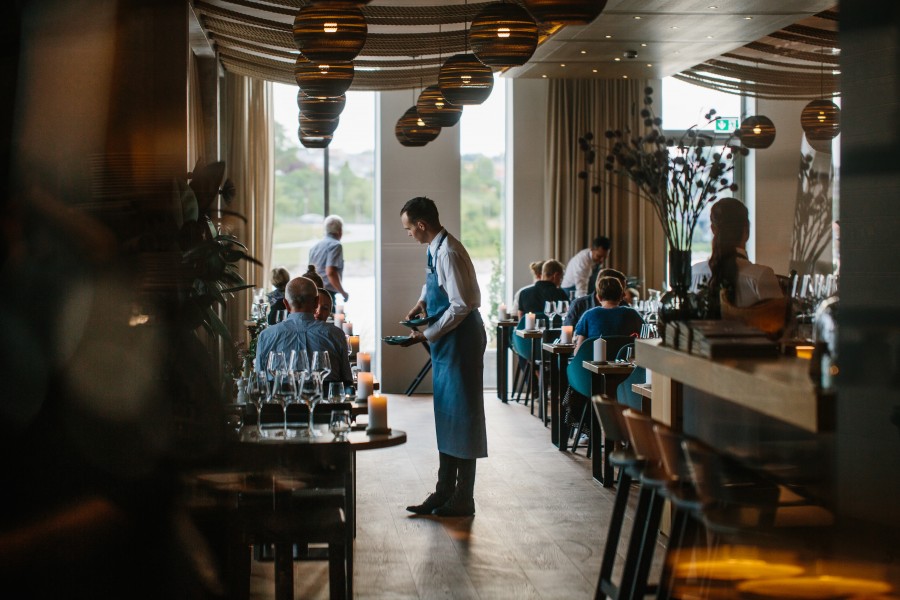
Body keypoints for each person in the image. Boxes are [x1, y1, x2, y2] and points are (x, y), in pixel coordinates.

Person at [398, 196, 487, 518]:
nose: (408, 234)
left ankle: (464, 498)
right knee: (448, 415)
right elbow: (435, 284)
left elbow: (462, 304)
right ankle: (443, 490)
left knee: (463, 417)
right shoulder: (434, 247)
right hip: (448, 338)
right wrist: (422, 304)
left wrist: (427, 334)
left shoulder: (448, 251)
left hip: (460, 339)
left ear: (422, 224)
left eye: (409, 228)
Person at [690, 198, 783, 314]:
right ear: (746, 231)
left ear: (713, 230)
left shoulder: (693, 274)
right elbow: (782, 324)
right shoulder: (762, 276)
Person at [255, 276, 353, 386]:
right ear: (316, 302)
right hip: (324, 402)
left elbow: (260, 383)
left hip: (281, 402)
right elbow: (347, 382)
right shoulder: (335, 334)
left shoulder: (266, 336)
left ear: (286, 304)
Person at [573, 277, 645, 352]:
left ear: (598, 297)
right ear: (621, 296)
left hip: (594, 362)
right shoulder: (632, 314)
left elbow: (578, 351)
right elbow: (648, 336)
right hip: (623, 361)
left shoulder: (588, 315)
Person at [308, 214, 349, 307]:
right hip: (327, 293)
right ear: (339, 231)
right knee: (330, 319)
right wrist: (343, 293)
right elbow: (330, 272)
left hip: (314, 291)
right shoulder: (336, 245)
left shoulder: (314, 247)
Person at [563, 267, 627, 327]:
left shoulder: (624, 306)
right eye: (620, 289)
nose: (624, 294)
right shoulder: (579, 305)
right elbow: (567, 333)